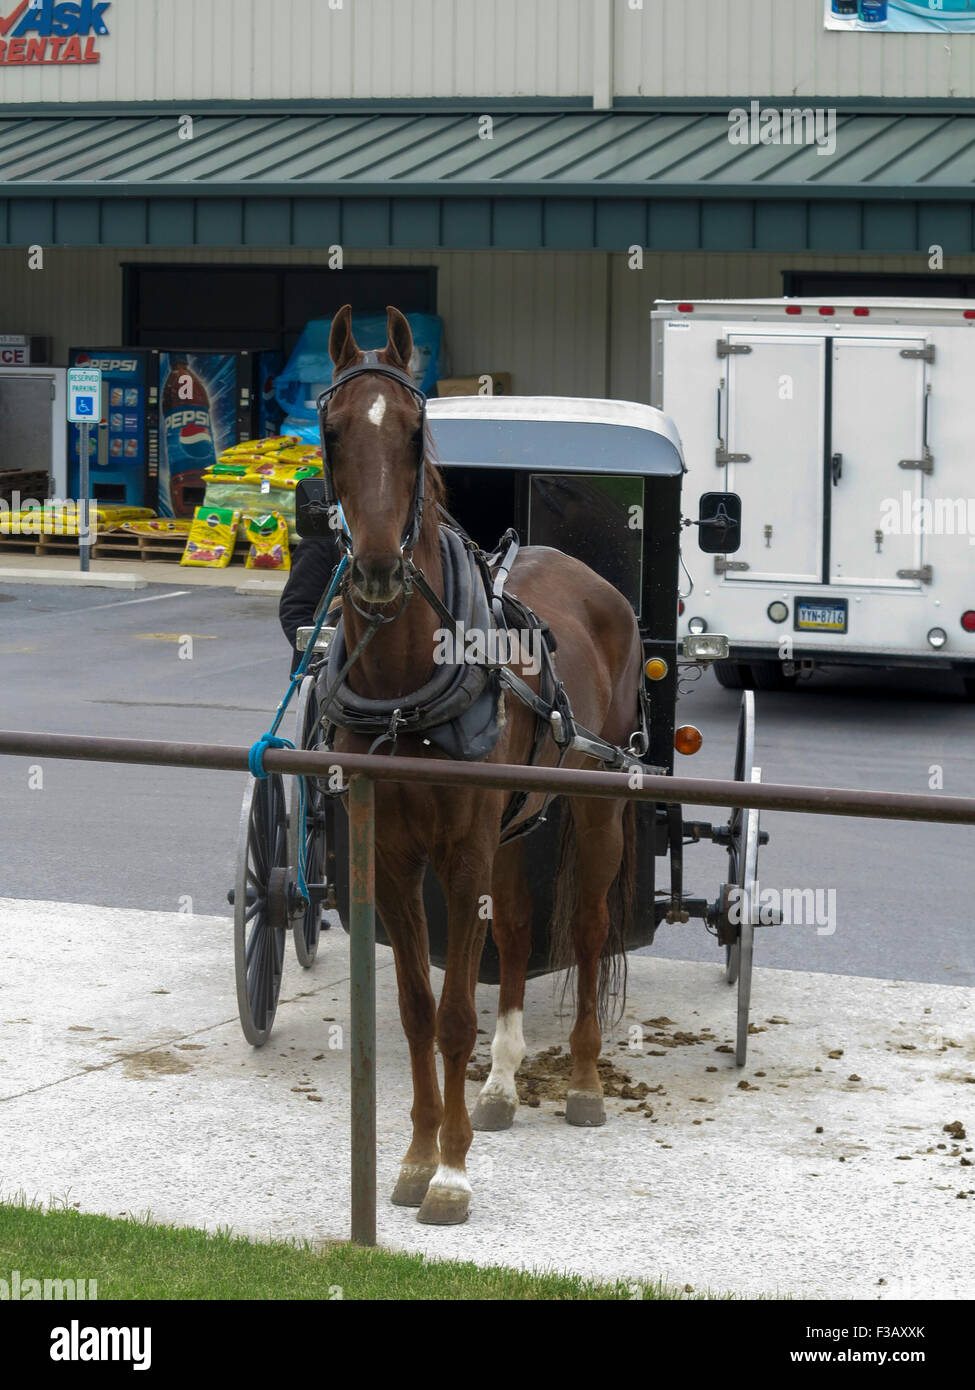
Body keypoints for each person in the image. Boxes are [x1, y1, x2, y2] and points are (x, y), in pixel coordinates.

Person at [279, 532, 343, 672]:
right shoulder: (324, 538)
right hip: (327, 674)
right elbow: (297, 610)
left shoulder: (402, 542)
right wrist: (318, 660)